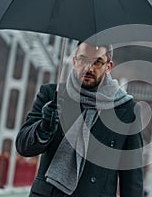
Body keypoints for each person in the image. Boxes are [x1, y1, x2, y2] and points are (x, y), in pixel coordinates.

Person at [16, 41, 144, 197]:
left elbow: (131, 177)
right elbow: (23, 146)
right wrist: (44, 129)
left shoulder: (127, 110)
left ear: (108, 67)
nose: (88, 68)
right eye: (83, 59)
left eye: (97, 62)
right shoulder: (52, 95)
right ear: (74, 61)